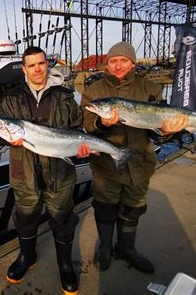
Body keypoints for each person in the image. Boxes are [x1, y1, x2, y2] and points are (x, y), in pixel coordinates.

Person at [81, 41, 187, 274]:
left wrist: (167, 130)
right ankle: (106, 247)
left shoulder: (150, 88)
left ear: (133, 63)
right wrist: (101, 123)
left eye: (123, 61)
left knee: (133, 207)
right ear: (107, 64)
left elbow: (156, 132)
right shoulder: (94, 92)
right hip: (106, 165)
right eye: (113, 61)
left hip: (139, 162)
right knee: (105, 207)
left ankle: (127, 248)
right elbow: (88, 126)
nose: (118, 66)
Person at [1, 46, 91, 294]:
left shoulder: (65, 96)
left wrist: (82, 147)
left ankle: (64, 264)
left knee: (62, 219)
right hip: (25, 174)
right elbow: (4, 133)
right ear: (24, 69)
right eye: (31, 65)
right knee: (25, 219)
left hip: (60, 173)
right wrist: (9, 139)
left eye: (41, 63)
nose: (38, 69)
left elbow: (77, 128)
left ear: (47, 65)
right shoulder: (12, 98)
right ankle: (26, 257)